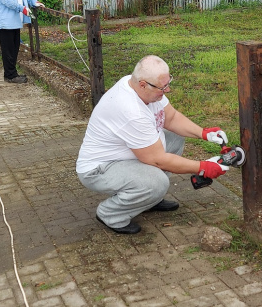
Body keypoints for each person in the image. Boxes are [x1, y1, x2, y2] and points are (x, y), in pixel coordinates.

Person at [76, 55, 229, 234]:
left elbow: (171, 118)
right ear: (143, 85)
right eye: (163, 88)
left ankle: (148, 200)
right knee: (157, 183)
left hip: (126, 157)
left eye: (168, 83)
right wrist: (203, 167)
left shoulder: (138, 85)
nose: (168, 89)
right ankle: (110, 213)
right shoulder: (130, 110)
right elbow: (158, 160)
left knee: (173, 137)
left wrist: (203, 133)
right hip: (99, 169)